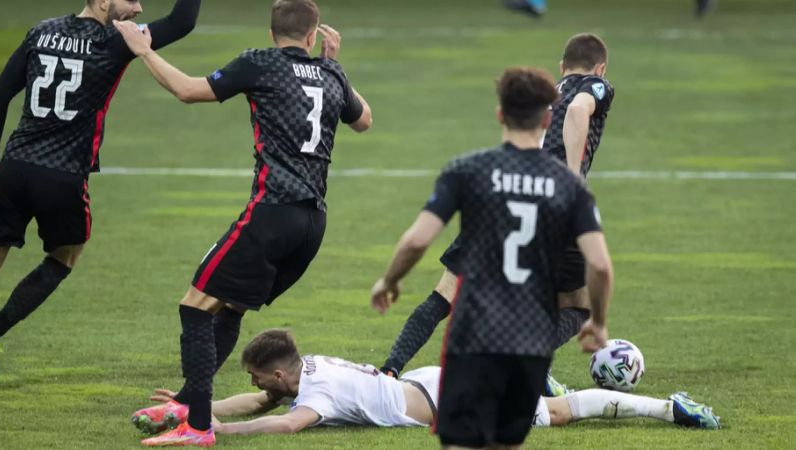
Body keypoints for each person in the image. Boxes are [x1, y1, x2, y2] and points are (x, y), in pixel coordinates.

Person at [113, 0, 372, 446]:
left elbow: (189, 90)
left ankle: (196, 427)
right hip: (313, 226)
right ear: (312, 36)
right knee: (229, 305)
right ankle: (188, 399)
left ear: (273, 32)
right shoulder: (331, 73)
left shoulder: (259, 63)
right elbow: (364, 120)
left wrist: (143, 51)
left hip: (272, 213)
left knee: (195, 305)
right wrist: (335, 67)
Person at [0, 0, 202, 395]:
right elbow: (183, 20)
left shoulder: (41, 30)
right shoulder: (117, 40)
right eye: (130, 0)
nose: (138, 8)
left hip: (16, 165)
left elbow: (2, 91)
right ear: (103, 1)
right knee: (64, 257)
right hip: (64, 177)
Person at [370, 67, 612, 449]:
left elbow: (418, 240)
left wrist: (390, 280)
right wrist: (598, 321)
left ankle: (391, 365)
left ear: (500, 114)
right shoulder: (572, 188)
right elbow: (599, 265)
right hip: (530, 341)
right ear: (549, 119)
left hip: (474, 334)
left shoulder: (469, 170)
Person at [133, 329, 721, 436]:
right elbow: (264, 399)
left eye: (265, 377)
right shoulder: (308, 367)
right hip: (428, 382)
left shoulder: (314, 396)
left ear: (283, 372)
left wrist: (213, 434)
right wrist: (195, 406)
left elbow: (284, 421)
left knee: (561, 413)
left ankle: (668, 409)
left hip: (448, 399)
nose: (264, 385)